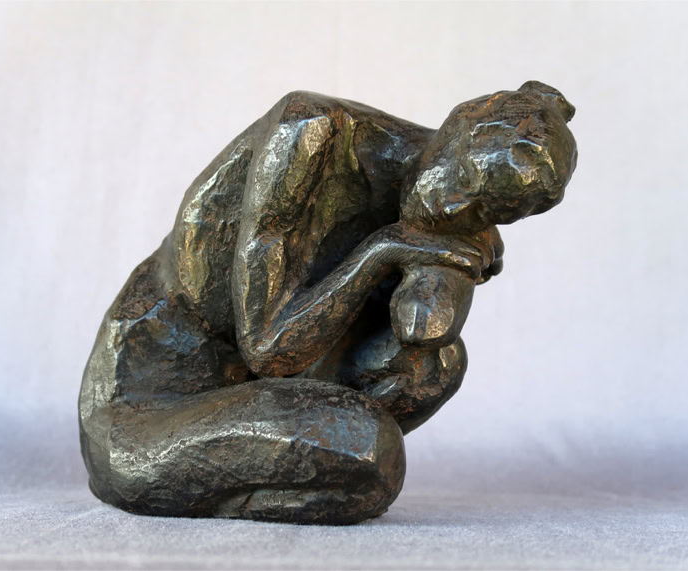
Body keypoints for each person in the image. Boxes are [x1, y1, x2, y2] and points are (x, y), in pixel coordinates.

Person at [79, 81, 578, 524]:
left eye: (488, 209)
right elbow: (269, 351)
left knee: (436, 366)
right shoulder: (312, 132)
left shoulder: (446, 220)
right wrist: (384, 251)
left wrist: (449, 274)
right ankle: (257, 487)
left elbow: (418, 333)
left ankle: (292, 473)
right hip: (144, 410)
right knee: (369, 450)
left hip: (266, 397)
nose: (455, 206)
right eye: (464, 179)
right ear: (458, 126)